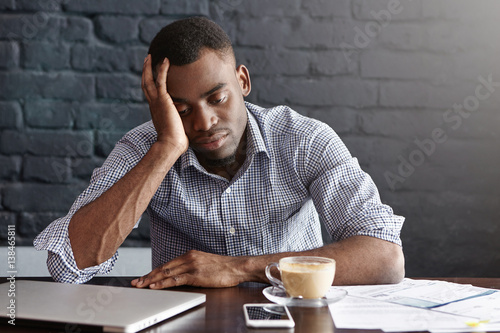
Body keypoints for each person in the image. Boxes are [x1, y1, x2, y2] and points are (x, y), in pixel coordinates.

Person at [34, 16, 405, 288]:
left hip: (295, 319)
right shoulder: (146, 149)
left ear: (242, 81)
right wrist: (166, 148)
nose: (204, 122)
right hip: (182, 321)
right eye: (182, 109)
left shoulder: (303, 140)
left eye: (217, 98)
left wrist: (240, 268)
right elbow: (68, 265)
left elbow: (385, 259)